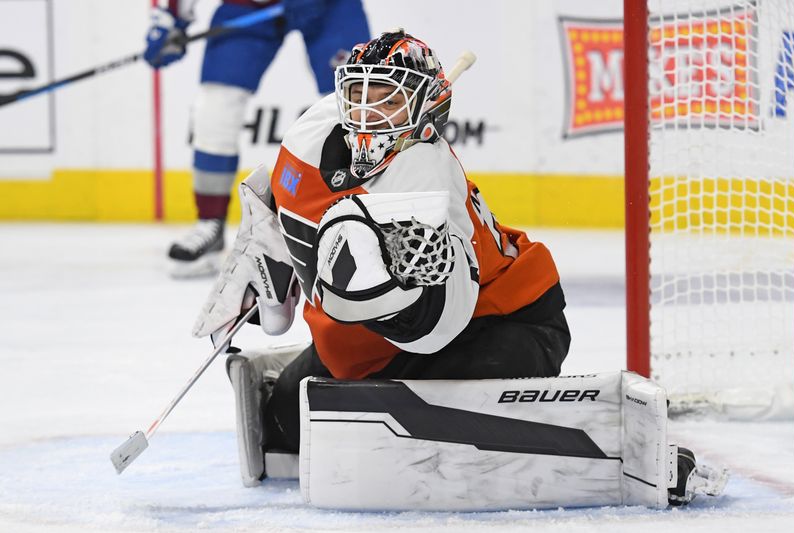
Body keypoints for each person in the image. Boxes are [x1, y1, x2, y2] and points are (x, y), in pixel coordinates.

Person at [192, 30, 727, 508]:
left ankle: (606, 449)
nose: (366, 109)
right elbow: (279, 206)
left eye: (386, 96)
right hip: (385, 341)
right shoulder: (313, 132)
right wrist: (264, 263)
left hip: (506, 320)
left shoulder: (424, 179)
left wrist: (365, 293)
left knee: (406, 430)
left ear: (424, 106)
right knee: (288, 424)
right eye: (358, 92)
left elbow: (433, 328)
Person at [143, 0, 371, 277]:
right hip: (249, 5)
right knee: (215, 107)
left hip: (328, 6)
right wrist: (171, 16)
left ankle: (361, 222)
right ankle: (210, 223)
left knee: (353, 99)